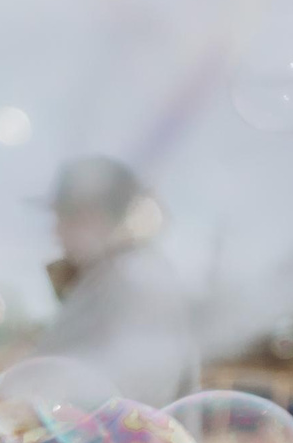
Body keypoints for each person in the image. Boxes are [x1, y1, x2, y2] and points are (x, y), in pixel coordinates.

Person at [35, 155, 199, 406]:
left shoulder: (135, 278)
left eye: (64, 217)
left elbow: (131, 388)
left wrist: (27, 395)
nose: (56, 232)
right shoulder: (112, 276)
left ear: (94, 215)